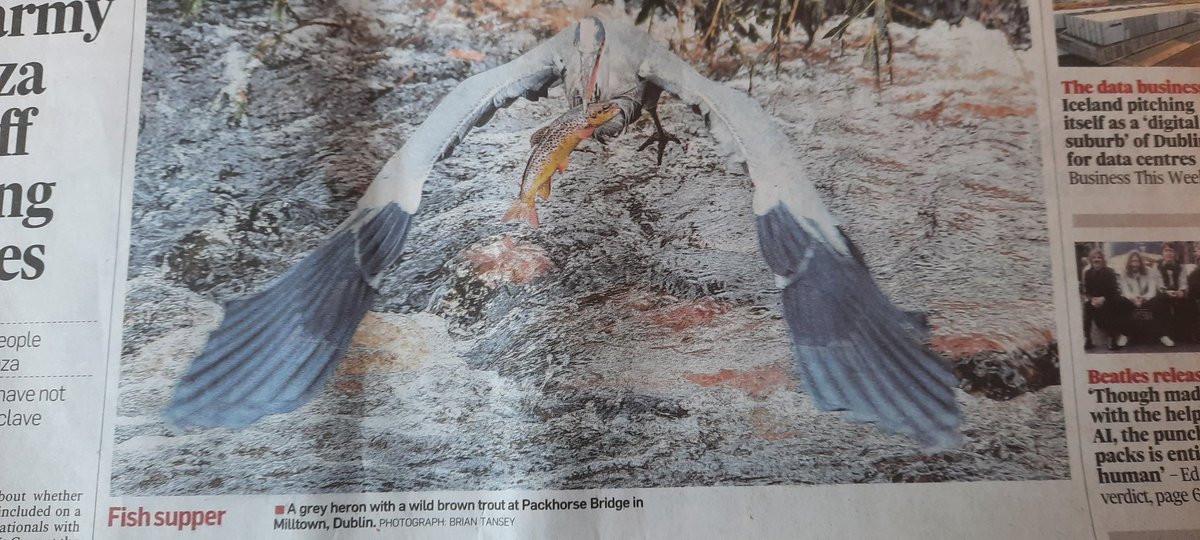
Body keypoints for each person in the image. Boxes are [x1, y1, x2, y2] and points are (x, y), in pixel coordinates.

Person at [1082, 249, 1132, 350]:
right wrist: (1092, 299)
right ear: (1091, 260)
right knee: (1086, 307)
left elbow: (1114, 290)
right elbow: (1087, 291)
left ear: (1103, 260)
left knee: (1111, 306)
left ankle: (1111, 340)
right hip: (1094, 300)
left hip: (1108, 298)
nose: (1097, 260)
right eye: (1094, 258)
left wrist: (1103, 298)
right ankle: (1087, 339)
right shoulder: (1087, 273)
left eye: (1099, 257)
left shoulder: (1109, 272)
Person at [1121, 250, 1172, 347]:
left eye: (1137, 261)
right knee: (1122, 302)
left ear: (1140, 262)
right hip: (1132, 299)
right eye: (1132, 261)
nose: (1134, 264)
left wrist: (1144, 298)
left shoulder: (1149, 271)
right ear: (1128, 262)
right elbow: (1125, 290)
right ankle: (1125, 334)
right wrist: (1134, 298)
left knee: (1158, 301)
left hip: (1147, 299)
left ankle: (1163, 335)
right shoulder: (1124, 272)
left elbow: (1152, 289)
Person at [1150, 243, 1192, 343]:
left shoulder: (1181, 266)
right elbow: (1158, 282)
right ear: (1162, 253)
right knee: (1159, 302)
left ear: (1175, 253)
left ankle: (1186, 332)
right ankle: (1164, 335)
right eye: (1166, 250)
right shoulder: (1157, 266)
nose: (1169, 253)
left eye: (1171, 251)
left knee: (1189, 302)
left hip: (1177, 291)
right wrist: (1166, 292)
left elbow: (1183, 281)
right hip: (1163, 292)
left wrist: (1181, 291)